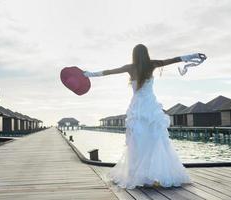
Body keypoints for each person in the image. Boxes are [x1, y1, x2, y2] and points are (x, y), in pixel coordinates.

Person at [83, 44, 206, 189]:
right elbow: (173, 59)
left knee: (138, 141)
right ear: (146, 54)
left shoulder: (130, 68)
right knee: (156, 140)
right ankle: (157, 174)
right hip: (151, 107)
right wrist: (193, 56)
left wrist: (89, 74)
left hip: (137, 108)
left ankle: (139, 175)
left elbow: (109, 72)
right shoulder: (152, 64)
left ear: (134, 54)